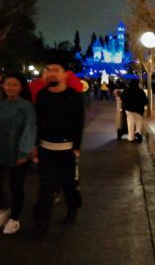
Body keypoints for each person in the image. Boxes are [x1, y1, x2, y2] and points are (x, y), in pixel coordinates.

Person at [33, 58, 85, 234]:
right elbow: (38, 122)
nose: (51, 72)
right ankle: (42, 221)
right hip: (45, 148)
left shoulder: (73, 96)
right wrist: (35, 146)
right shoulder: (42, 95)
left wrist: (76, 146)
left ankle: (72, 209)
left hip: (66, 149)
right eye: (48, 69)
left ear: (64, 74)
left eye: (55, 69)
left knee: (68, 184)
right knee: (47, 185)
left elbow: (78, 122)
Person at [0, 73, 37, 234]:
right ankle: (4, 207)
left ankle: (14, 219)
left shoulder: (27, 106)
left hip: (18, 152)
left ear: (21, 87)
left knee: (16, 185)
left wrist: (24, 153)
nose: (10, 87)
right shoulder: (1, 104)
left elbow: (29, 129)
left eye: (14, 84)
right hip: (1, 150)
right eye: (7, 84)